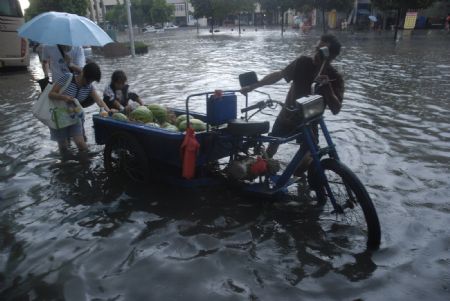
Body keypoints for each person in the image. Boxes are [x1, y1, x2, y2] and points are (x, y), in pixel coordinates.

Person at [240, 34, 344, 175]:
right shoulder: (303, 63)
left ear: (330, 57)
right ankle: (258, 172)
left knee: (305, 162)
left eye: (320, 51)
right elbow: (280, 75)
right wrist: (254, 85)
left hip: (309, 123)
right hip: (288, 116)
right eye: (316, 49)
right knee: (271, 149)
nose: (315, 53)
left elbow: (336, 109)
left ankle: (298, 179)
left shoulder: (335, 77)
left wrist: (327, 87)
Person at [48, 62, 111, 155]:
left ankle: (86, 163)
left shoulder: (89, 87)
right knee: (63, 146)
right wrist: (64, 97)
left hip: (74, 115)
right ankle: (66, 166)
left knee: (81, 143)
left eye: (91, 81)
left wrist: (109, 111)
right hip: (59, 116)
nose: (89, 83)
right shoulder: (68, 77)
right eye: (88, 80)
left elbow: (99, 101)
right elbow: (51, 94)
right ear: (83, 73)